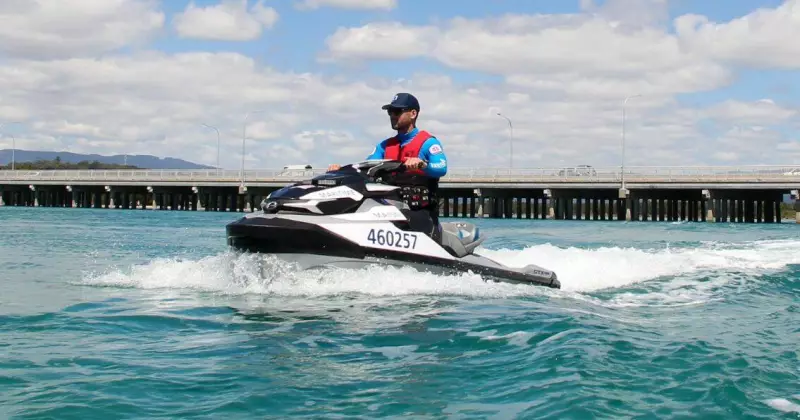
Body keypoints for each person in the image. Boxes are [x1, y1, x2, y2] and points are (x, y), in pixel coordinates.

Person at [328, 92, 448, 242]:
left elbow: (441, 168)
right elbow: (365, 167)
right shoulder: (384, 146)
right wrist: (340, 171)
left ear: (413, 113)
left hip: (422, 212)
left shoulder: (428, 143)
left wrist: (422, 164)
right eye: (390, 112)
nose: (392, 116)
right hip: (391, 208)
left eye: (397, 112)